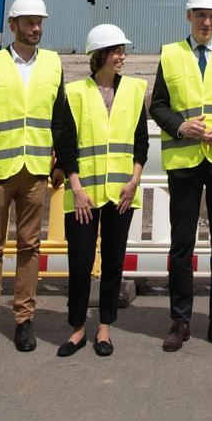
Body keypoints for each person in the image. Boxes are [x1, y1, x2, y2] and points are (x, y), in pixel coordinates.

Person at [0, 0, 62, 354]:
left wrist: (61, 162)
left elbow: (60, 118)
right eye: (29, 22)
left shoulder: (52, 64)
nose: (35, 28)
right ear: (13, 25)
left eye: (39, 23)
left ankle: (24, 320)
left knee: (30, 247)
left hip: (36, 171)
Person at [150, 0, 212, 352]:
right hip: (185, 162)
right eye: (200, 15)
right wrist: (179, 126)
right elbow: (157, 105)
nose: (207, 21)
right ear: (188, 16)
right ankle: (180, 319)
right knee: (181, 244)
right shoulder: (171, 54)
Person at [51, 23, 148, 359]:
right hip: (83, 195)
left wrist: (135, 179)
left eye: (123, 50)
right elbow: (65, 146)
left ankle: (105, 326)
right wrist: (75, 188)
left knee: (113, 262)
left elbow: (140, 142)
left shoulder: (135, 90)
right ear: (100, 55)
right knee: (79, 263)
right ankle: (77, 328)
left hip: (121, 194)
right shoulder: (75, 93)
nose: (122, 56)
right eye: (116, 51)